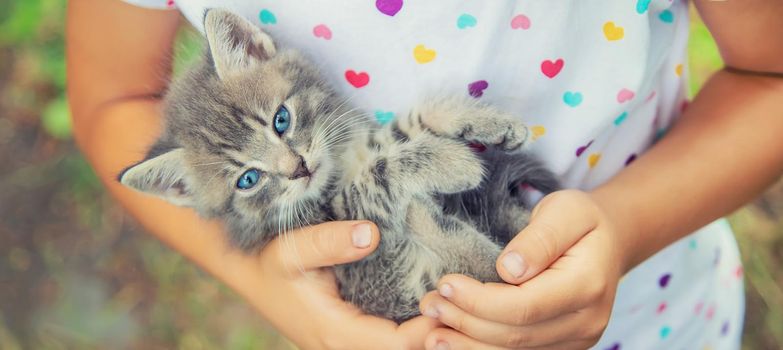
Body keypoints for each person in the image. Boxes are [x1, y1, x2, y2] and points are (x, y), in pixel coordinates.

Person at [66, 0, 783, 349]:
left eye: (281, 131)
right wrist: (270, 287)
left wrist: (624, 229)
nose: (292, 165)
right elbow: (112, 101)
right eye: (258, 174)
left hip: (653, 313)